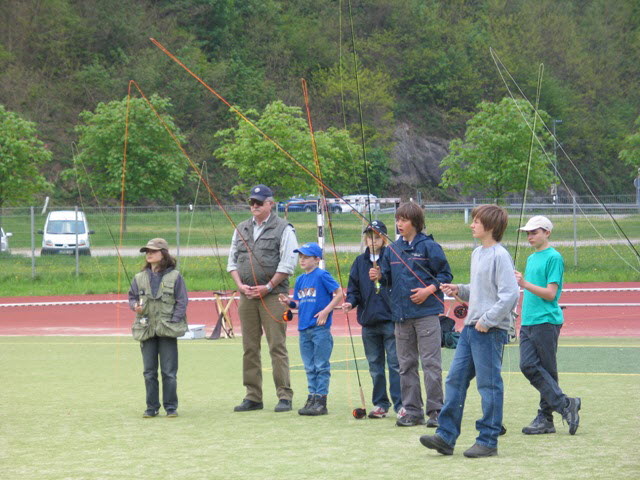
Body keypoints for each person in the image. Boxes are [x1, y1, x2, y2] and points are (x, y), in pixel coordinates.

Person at [420, 204, 519, 458]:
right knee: (455, 380)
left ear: (491, 226)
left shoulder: (500, 255)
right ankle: (446, 436)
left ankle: (488, 440)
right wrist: (459, 290)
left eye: (476, 221)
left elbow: (509, 295)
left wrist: (487, 320)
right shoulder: (477, 254)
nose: (471, 224)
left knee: (489, 385)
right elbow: (481, 291)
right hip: (471, 329)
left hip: (489, 330)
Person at [371, 202, 453, 427]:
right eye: (397, 219)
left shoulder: (429, 246)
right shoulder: (392, 250)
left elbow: (446, 275)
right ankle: (413, 411)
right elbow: (386, 279)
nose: (399, 224)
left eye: (404, 220)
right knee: (405, 365)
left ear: (415, 222)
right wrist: (378, 275)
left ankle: (436, 411)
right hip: (400, 315)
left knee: (430, 364)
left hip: (426, 314)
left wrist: (429, 290)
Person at [227, 184, 298, 413]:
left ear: (270, 203)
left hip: (274, 296)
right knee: (249, 347)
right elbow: (232, 262)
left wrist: (267, 287)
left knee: (276, 346)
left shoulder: (284, 228)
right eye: (252, 202)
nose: (254, 206)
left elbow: (288, 264)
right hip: (247, 295)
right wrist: (241, 286)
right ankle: (253, 396)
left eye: (259, 202)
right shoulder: (241, 229)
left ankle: (284, 396)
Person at [515, 215, 581, 435]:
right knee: (527, 365)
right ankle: (565, 405)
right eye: (528, 233)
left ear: (547, 233)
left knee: (548, 370)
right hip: (528, 321)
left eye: (534, 232)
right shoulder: (532, 258)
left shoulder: (554, 258)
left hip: (546, 321)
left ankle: (546, 418)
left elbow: (551, 294)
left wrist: (524, 283)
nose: (530, 236)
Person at [342, 220, 402, 419]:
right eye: (369, 237)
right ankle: (380, 404)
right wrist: (350, 302)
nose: (373, 241)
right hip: (369, 322)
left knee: (395, 364)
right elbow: (354, 290)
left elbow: (398, 282)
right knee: (375, 366)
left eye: (377, 237)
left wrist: (382, 275)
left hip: (391, 320)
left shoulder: (393, 258)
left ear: (384, 239)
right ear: (365, 239)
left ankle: (401, 404)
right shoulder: (359, 262)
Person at [279, 242, 343, 415]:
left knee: (321, 365)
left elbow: (339, 293)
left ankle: (321, 399)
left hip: (319, 328)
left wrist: (325, 311)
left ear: (317, 259)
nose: (302, 260)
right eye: (301, 257)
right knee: (309, 366)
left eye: (306, 257)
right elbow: (299, 303)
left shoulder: (322, 276)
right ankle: (312, 396)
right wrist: (288, 302)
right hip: (304, 328)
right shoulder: (300, 279)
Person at [129, 238, 188, 418]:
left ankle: (171, 407)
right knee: (149, 372)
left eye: (153, 251)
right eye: (147, 251)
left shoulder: (176, 276)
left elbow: (182, 301)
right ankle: (151, 407)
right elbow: (132, 297)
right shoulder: (139, 278)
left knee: (169, 372)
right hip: (146, 329)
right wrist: (135, 307)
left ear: (163, 253)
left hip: (167, 329)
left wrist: (173, 320)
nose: (149, 254)